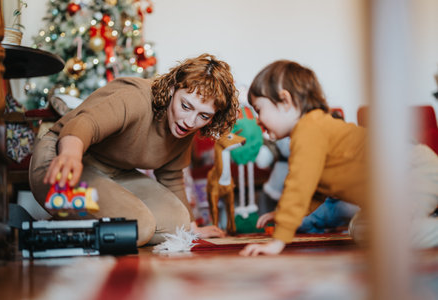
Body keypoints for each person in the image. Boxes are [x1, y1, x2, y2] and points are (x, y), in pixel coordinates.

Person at [29, 53, 240, 246]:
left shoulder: (184, 126)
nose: (191, 121)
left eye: (204, 116)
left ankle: (70, 222)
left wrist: (192, 229)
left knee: (178, 224)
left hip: (113, 171)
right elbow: (86, 123)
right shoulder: (136, 98)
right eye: (186, 106)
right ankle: (39, 233)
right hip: (60, 156)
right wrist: (70, 154)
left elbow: (172, 175)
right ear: (173, 88)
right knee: (138, 226)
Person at [240, 60, 438, 256]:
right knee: (360, 229)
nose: (258, 121)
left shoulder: (310, 129)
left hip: (410, 172)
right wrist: (284, 214)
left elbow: (299, 184)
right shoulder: (310, 132)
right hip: (392, 190)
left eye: (259, 110)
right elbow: (313, 190)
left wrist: (278, 241)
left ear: (285, 101)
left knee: (393, 232)